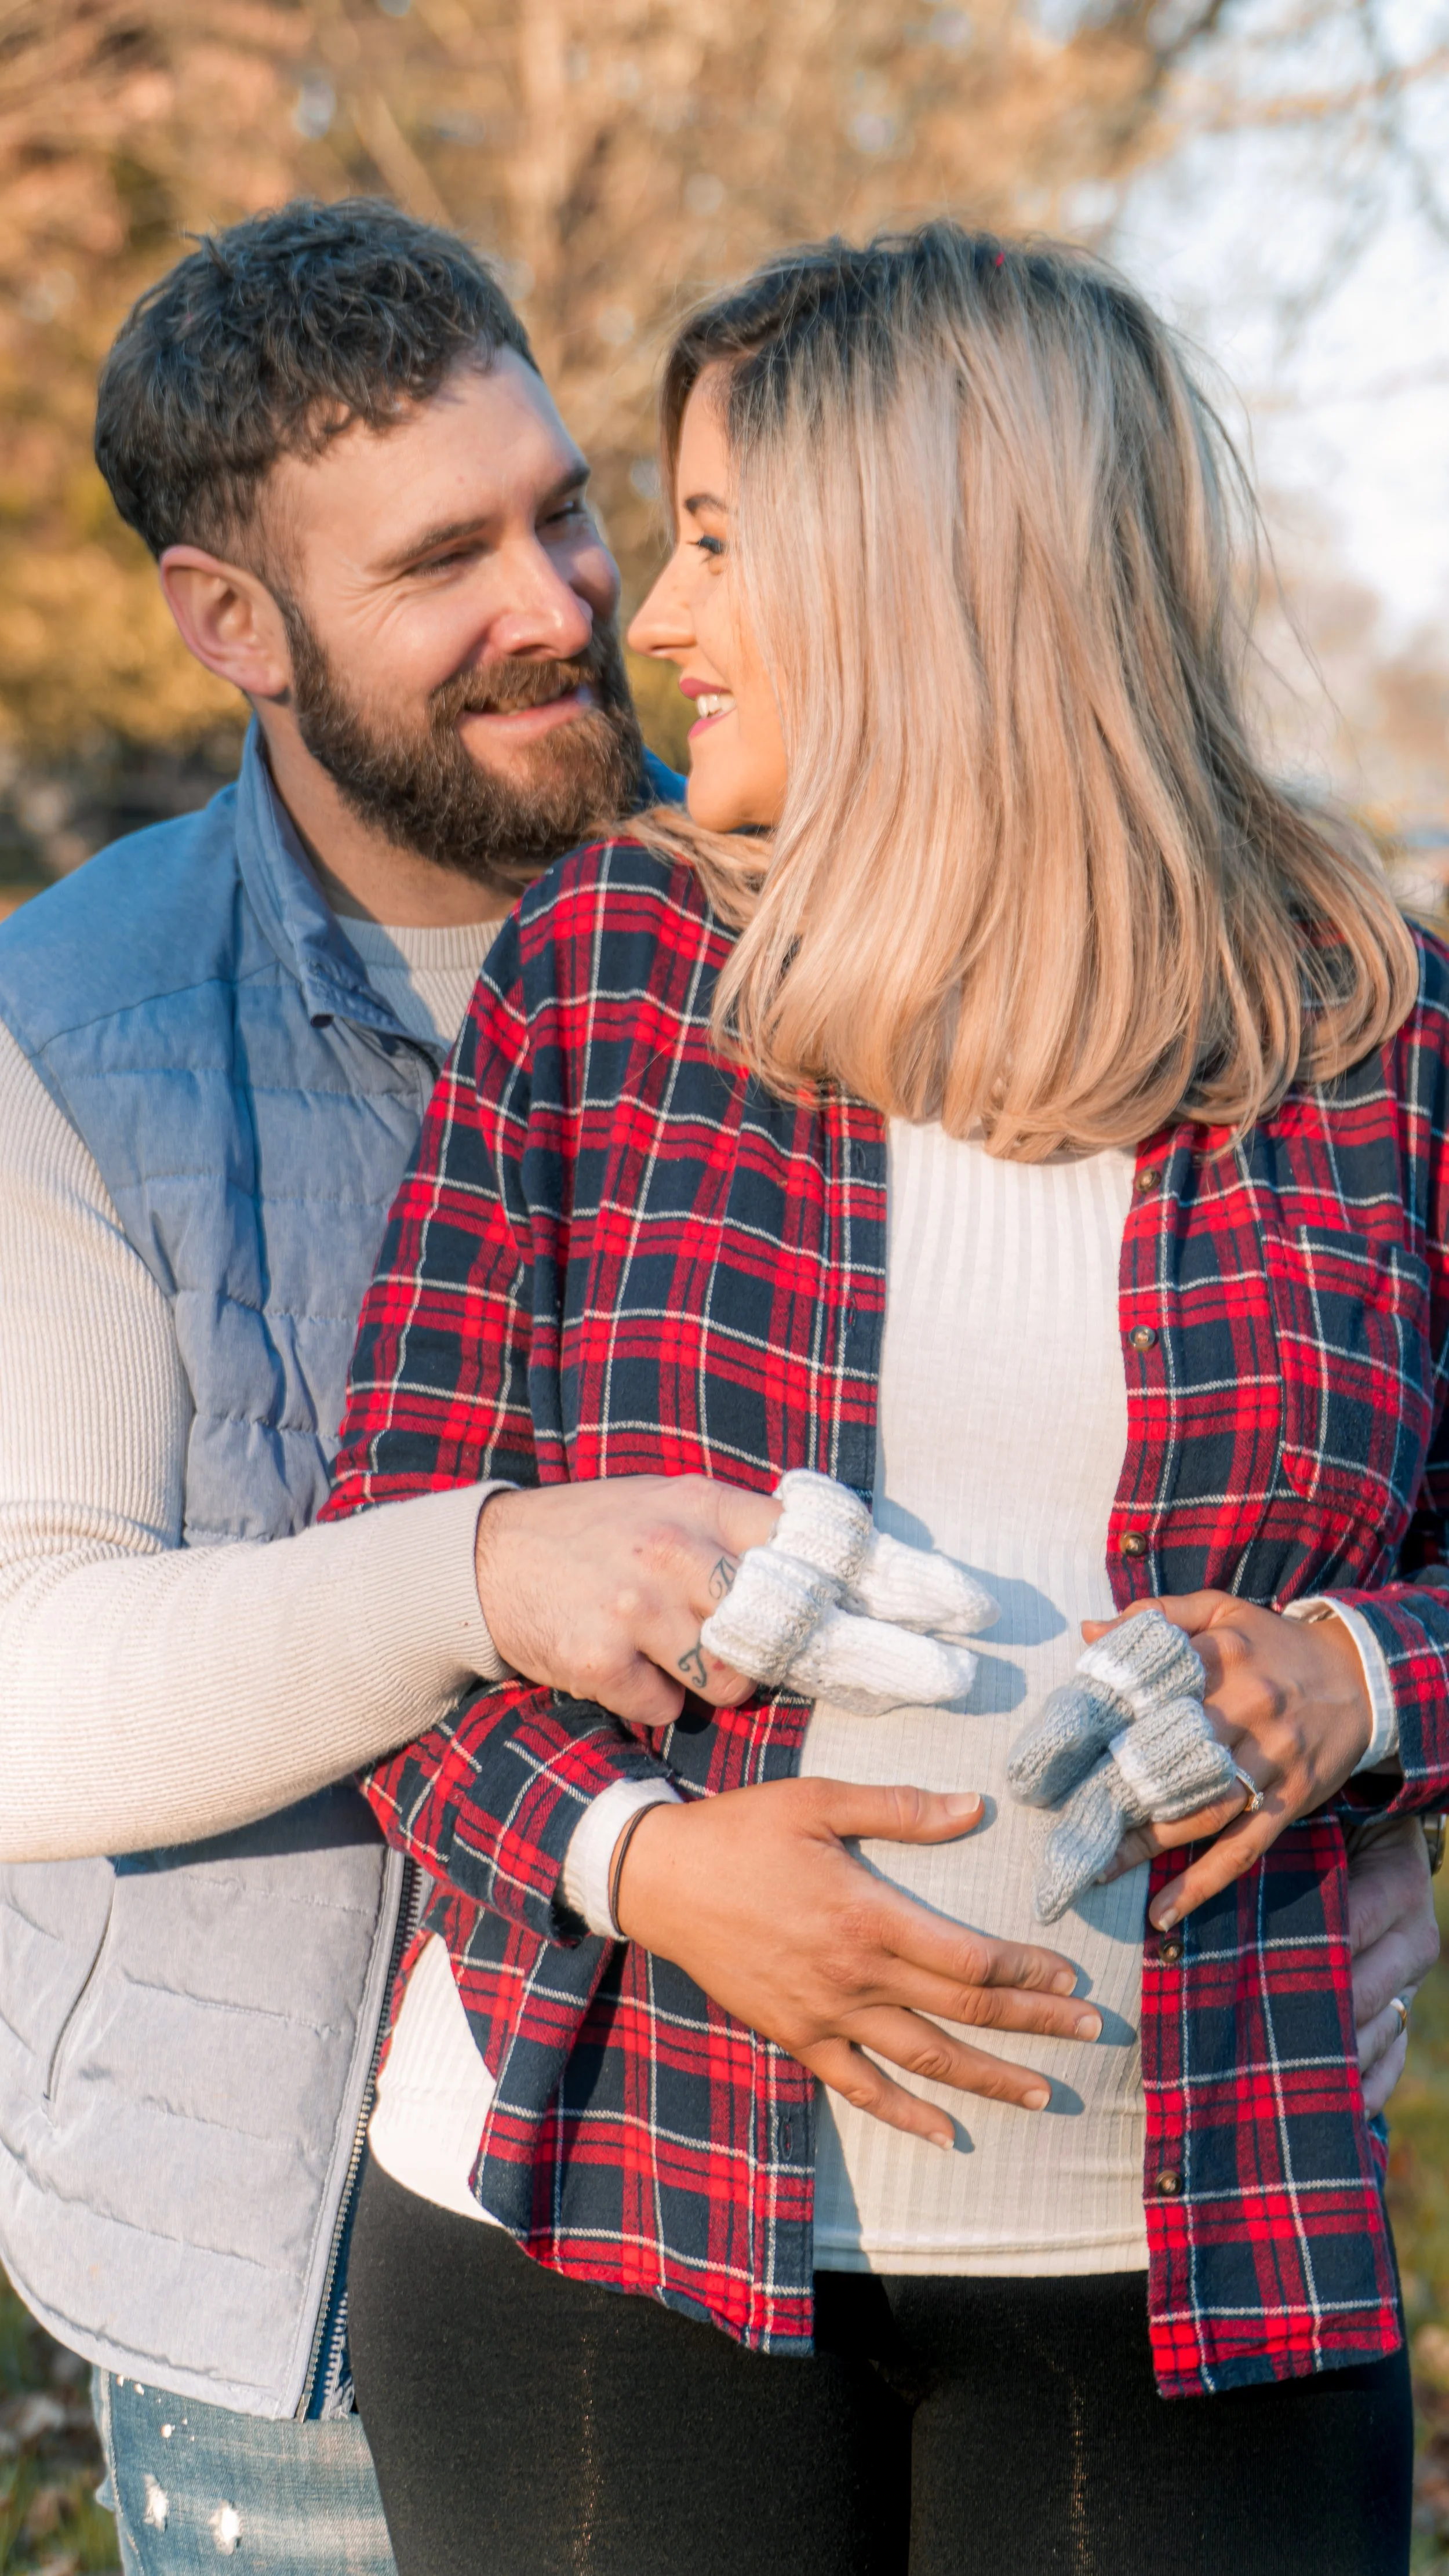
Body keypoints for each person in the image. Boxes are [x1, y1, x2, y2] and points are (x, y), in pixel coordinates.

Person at [326, 225, 1448, 2576]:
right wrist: (644, 1862)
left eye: (721, 537)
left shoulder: (1373, 1031)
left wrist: (1359, 1676)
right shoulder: (607, 984)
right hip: (609, 2226)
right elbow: (395, 1559)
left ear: (937, 559)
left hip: (1194, 2259)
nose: (653, 621)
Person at [0, 194, 696, 2575]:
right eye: (442, 562)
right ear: (230, 622)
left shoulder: (781, 950)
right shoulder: (65, 1040)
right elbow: (23, 1697)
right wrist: (484, 1573)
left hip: (762, 2199)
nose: (560, 602)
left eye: (565, 509)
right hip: (284, 2279)